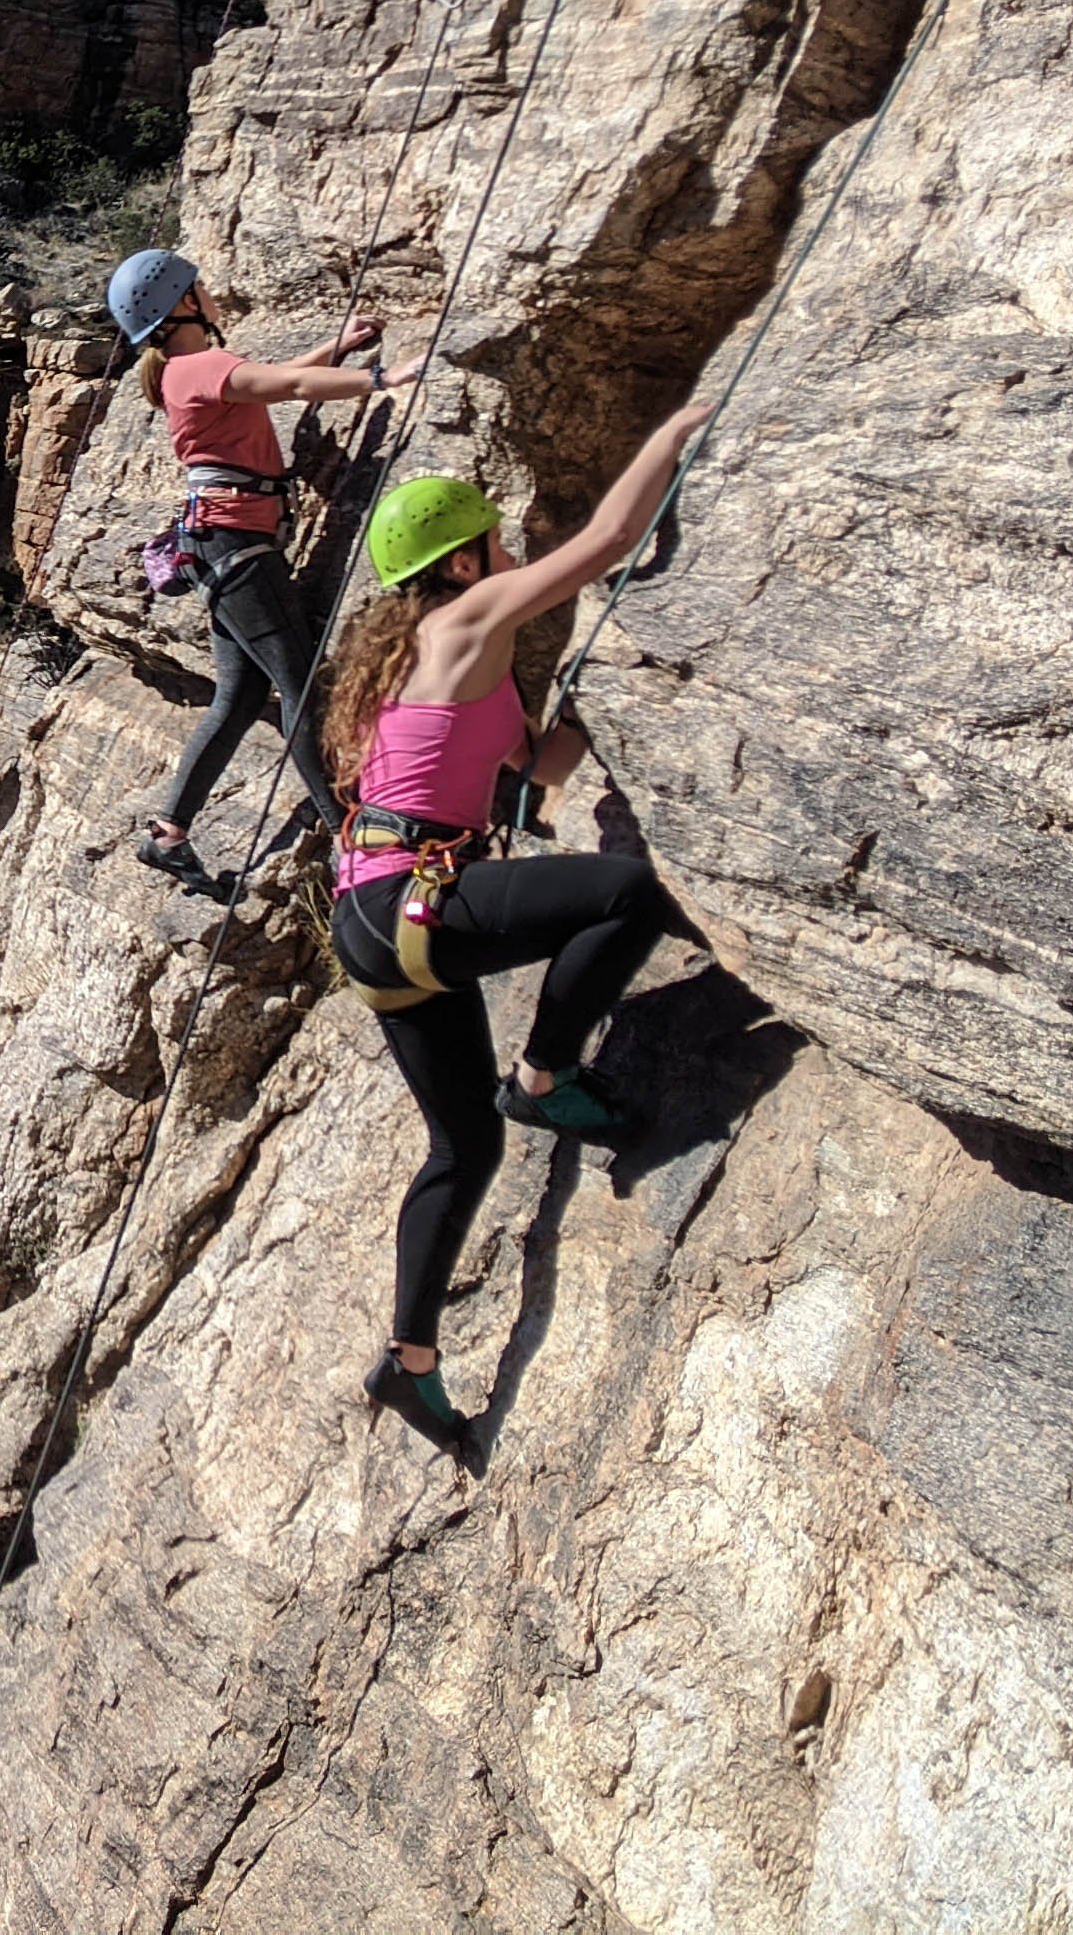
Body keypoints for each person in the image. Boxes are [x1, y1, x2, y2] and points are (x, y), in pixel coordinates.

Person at [318, 403, 710, 1460]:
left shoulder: (411, 656)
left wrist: (595, 706)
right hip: (418, 901)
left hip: (371, 919)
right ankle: (544, 1077)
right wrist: (670, 431)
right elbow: (610, 545)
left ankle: (410, 1361)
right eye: (493, 541)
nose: (512, 551)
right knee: (627, 893)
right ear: (463, 562)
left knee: (462, 1146)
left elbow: (537, 774)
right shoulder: (471, 618)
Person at [103, 248, 424, 901]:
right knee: (301, 691)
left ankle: (168, 830)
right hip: (238, 550)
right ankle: (355, 843)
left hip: (220, 546)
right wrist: (383, 379)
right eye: (203, 288)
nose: (213, 294)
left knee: (242, 697)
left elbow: (271, 379)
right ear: (184, 305)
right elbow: (288, 387)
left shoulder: (183, 371)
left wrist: (338, 346)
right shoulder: (203, 365)